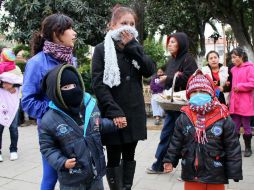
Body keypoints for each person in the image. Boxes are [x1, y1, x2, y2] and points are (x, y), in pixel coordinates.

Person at [92, 5, 156, 190]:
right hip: (113, 112)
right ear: (112, 25)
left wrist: (133, 46)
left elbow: (149, 70)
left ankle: (126, 187)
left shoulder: (135, 47)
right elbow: (98, 84)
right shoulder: (102, 49)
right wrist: (114, 112)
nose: (128, 27)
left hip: (134, 112)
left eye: (131, 23)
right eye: (123, 23)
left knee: (130, 154)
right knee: (113, 156)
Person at [39, 64, 118, 190]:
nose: (72, 90)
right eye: (66, 87)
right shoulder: (48, 120)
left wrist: (115, 124)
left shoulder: (90, 105)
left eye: (74, 85)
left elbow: (98, 124)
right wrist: (62, 162)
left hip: (96, 174)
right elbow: (47, 148)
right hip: (72, 179)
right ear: (56, 92)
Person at [21, 13, 77, 190]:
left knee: (76, 174)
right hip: (51, 132)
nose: (74, 33)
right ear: (56, 33)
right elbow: (28, 102)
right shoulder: (36, 63)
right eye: (69, 29)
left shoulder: (71, 59)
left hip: (74, 126)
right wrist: (55, 109)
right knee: (51, 176)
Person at [163, 69, 243, 190]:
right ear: (189, 94)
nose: (198, 94)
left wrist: (234, 170)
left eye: (203, 91)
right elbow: (176, 142)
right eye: (194, 91)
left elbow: (232, 146)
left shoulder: (223, 116)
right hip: (191, 172)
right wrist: (170, 160)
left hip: (216, 173)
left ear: (211, 93)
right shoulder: (184, 116)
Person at [146, 32, 197, 174]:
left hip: (184, 107)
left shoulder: (188, 59)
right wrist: (165, 80)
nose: (170, 44)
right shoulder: (171, 60)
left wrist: (168, 78)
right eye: (169, 42)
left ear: (181, 43)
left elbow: (190, 80)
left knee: (186, 138)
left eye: (173, 42)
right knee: (166, 134)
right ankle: (160, 164)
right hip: (172, 106)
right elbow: (169, 79)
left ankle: (189, 168)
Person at [229, 47, 254, 157]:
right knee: (235, 126)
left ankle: (248, 148)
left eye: (234, 57)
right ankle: (235, 148)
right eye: (232, 58)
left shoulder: (250, 68)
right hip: (235, 103)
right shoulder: (233, 69)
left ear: (241, 57)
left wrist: (240, 86)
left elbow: (252, 83)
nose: (232, 60)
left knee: (246, 125)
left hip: (245, 102)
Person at [0, 48, 23, 162]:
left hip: (13, 103)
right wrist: (4, 84)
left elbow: (21, 82)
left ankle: (13, 150)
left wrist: (13, 86)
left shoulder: (17, 69)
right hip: (1, 102)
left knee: (13, 128)